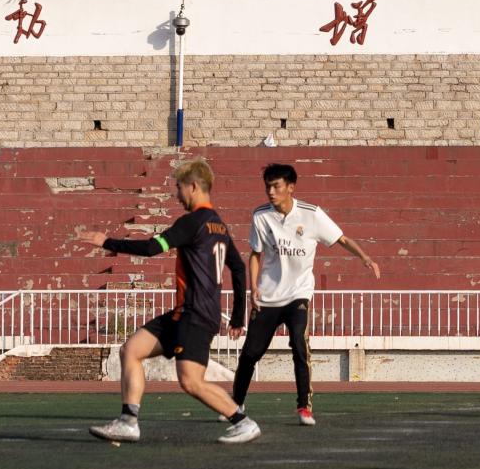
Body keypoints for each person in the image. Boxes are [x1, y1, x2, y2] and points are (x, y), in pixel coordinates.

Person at [79, 158, 260, 445]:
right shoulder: (219, 226)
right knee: (131, 350)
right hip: (184, 313)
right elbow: (237, 268)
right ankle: (128, 422)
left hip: (195, 315)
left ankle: (243, 422)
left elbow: (152, 248)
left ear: (193, 186)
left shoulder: (193, 222)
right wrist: (238, 316)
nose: (177, 195)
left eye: (179, 187)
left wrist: (107, 242)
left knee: (191, 381)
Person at [230, 163, 381, 426]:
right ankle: (235, 404)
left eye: (276, 186)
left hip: (298, 294)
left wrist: (365, 257)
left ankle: (304, 407)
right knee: (250, 353)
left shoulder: (312, 215)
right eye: (267, 186)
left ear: (291, 187)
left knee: (300, 345)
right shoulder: (261, 216)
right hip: (268, 297)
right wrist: (254, 287)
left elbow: (342, 239)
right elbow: (255, 255)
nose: (271, 192)